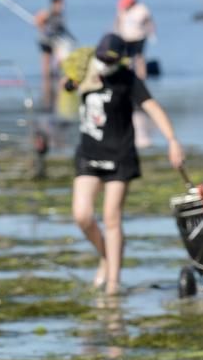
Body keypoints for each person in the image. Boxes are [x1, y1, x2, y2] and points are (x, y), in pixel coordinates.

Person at [70, 34, 185, 295]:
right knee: (82, 215)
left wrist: (172, 140)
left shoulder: (128, 79)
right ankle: (107, 256)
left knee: (112, 216)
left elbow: (152, 107)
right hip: (88, 153)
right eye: (100, 58)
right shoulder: (85, 70)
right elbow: (66, 84)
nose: (103, 63)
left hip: (119, 155)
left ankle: (113, 283)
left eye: (109, 60)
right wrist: (73, 78)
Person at [35, 0, 72, 111]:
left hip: (56, 41)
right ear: (54, 3)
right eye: (59, 3)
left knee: (59, 62)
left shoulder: (61, 14)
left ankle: (57, 83)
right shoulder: (48, 13)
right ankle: (46, 87)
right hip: (46, 41)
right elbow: (38, 21)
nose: (61, 6)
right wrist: (42, 25)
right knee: (46, 65)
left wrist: (71, 37)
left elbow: (62, 28)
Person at [113, 0, 155, 79]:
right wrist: (115, 33)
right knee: (125, 58)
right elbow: (117, 22)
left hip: (139, 37)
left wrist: (151, 34)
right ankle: (127, 76)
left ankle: (142, 77)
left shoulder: (141, 9)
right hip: (125, 38)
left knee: (139, 58)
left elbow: (149, 22)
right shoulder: (122, 10)